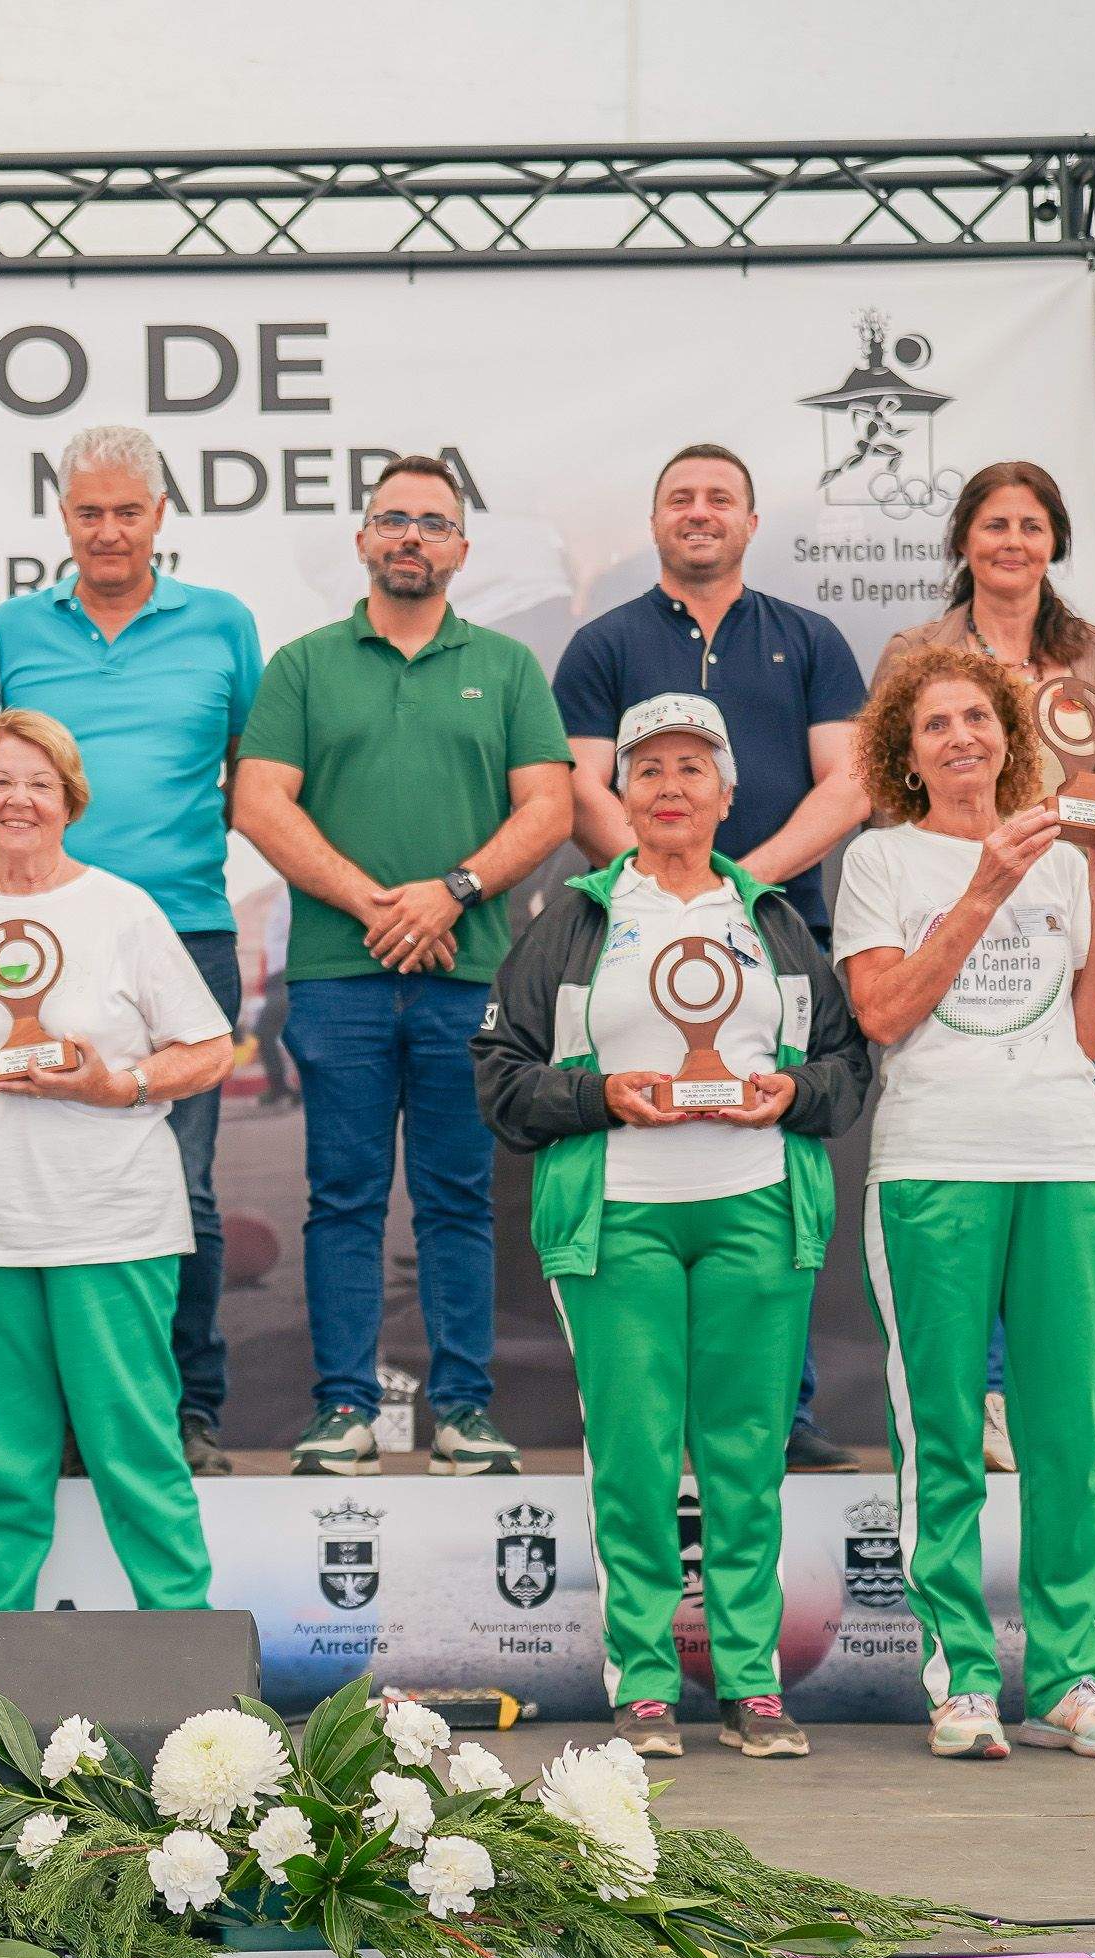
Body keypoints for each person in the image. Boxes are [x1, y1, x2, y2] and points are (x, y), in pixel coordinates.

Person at [472, 695, 874, 1761]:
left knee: (746, 1457)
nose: (670, 788)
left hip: (755, 1210)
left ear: (729, 793)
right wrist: (603, 1094)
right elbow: (503, 1080)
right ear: (620, 795)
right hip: (620, 1221)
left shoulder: (774, 917)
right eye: (648, 770)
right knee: (637, 1458)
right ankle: (644, 1683)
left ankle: (752, 1683)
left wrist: (790, 1094)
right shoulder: (573, 918)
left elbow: (847, 1071)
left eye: (693, 768)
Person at [837, 646, 1095, 1762]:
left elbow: (1082, 1040)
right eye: (937, 725)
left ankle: (1074, 1677)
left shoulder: (1067, 859)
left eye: (979, 716)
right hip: (935, 1160)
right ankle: (962, 1679)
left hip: (1067, 1155)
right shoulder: (880, 861)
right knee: (944, 1435)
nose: (964, 736)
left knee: (1067, 1434)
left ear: (1011, 734)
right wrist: (985, 885)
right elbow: (882, 1012)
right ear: (906, 752)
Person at [234, 454, 573, 1478]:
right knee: (342, 1195)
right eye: (394, 521)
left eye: (432, 523)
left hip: (465, 974)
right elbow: (259, 803)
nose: (412, 538)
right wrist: (370, 900)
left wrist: (451, 892)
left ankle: (465, 1410)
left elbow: (549, 807)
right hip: (339, 973)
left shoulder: (507, 667)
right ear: (364, 541)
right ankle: (344, 1410)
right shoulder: (302, 665)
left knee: (457, 1196)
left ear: (461, 549)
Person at [554, 445, 870, 1472]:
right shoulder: (602, 643)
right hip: (633, 936)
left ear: (750, 519)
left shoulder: (811, 639)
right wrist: (667, 881)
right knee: (651, 1172)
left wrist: (743, 889)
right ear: (654, 523)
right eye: (680, 499)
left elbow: (849, 784)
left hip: (782, 935)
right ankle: (652, 1422)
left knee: (771, 1166)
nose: (700, 513)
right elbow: (585, 790)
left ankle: (785, 1407)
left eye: (719, 499)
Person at [0, 710, 235, 1612]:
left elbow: (209, 1049)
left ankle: (196, 1679)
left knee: (135, 1454)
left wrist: (115, 1085)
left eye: (38, 784)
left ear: (70, 801)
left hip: (109, 1221)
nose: (17, 800)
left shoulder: (122, 910)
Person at [881, 460, 1095, 1475]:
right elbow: (886, 797)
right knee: (974, 1183)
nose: (1012, 541)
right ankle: (985, 1405)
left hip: (1078, 934)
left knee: (1059, 1176)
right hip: (960, 936)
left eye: (1031, 524)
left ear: (1056, 541)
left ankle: (1052, 1408)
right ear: (963, 539)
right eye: (994, 523)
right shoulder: (920, 653)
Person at [0, 425, 261, 1471]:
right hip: (41, 944)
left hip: (186, 933)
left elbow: (253, 768)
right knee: (49, 1176)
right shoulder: (10, 630)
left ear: (160, 517)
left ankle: (185, 1409)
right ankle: (61, 1420)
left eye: (127, 512)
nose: (108, 532)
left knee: (177, 1185)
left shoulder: (223, 625)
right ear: (63, 519)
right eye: (88, 512)